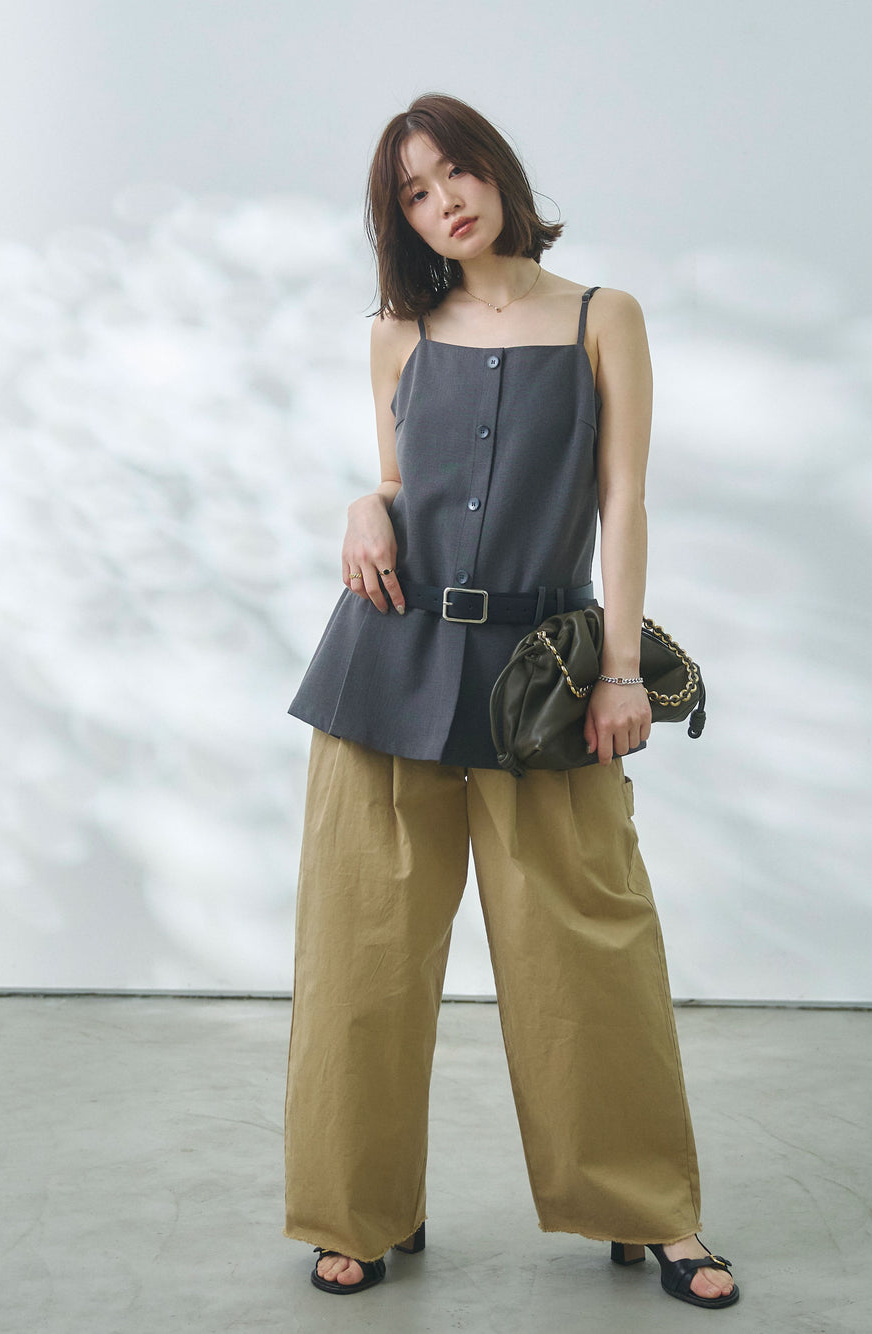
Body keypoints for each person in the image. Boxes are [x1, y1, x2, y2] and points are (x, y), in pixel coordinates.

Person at [282, 92, 740, 1311]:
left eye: (457, 172)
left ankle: (651, 1209)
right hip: (387, 667)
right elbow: (399, 480)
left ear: (497, 172)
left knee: (589, 955)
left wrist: (621, 667)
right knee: (363, 959)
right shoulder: (397, 328)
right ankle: (358, 1208)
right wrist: (363, 503)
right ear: (400, 218)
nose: (445, 202)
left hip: (543, 685)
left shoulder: (601, 316)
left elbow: (622, 501)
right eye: (415, 192)